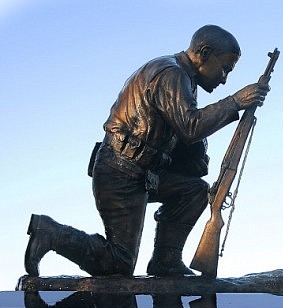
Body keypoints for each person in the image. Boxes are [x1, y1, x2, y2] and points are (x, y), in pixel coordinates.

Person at [24, 25, 269, 277]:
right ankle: (50, 232)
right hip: (120, 171)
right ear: (205, 53)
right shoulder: (170, 74)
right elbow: (190, 126)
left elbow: (183, 138)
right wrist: (235, 102)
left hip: (144, 172)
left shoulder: (184, 78)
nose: (224, 78)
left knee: (194, 191)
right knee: (118, 264)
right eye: (225, 68)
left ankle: (166, 260)